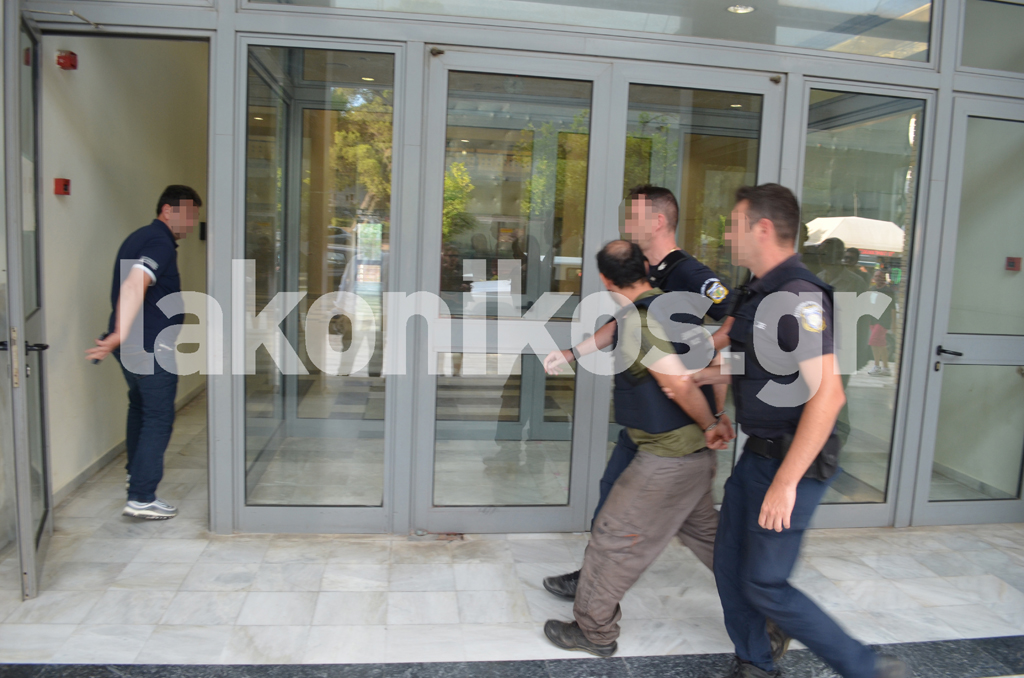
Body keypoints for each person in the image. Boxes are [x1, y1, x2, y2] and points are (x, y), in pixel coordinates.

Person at [692, 184, 905, 678]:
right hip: (757, 456)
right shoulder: (758, 291)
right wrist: (704, 376)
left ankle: (866, 667)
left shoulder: (799, 297)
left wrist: (786, 483)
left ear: (763, 229)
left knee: (765, 582)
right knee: (730, 567)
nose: (728, 235)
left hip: (796, 464)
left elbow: (828, 395)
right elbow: (759, 361)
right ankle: (755, 663)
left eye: (734, 225)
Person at [542, 240, 733, 657]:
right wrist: (718, 417)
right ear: (646, 266)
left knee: (612, 538)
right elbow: (713, 363)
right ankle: (768, 614)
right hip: (693, 459)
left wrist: (709, 423)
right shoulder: (676, 306)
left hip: (667, 458)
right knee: (714, 544)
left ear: (605, 280)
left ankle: (594, 631)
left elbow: (677, 384)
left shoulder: (641, 323)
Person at [85, 185, 202, 520]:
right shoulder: (159, 242)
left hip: (134, 346)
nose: (192, 223)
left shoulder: (139, 237)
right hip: (148, 346)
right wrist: (119, 333)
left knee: (140, 407)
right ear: (167, 210)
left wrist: (119, 337)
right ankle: (141, 496)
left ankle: (134, 477)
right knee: (158, 417)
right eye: (188, 214)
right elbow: (134, 283)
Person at [867, 270, 895, 376]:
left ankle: (877, 366)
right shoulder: (872, 289)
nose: (878, 278)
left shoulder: (888, 291)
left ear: (883, 278)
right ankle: (886, 368)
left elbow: (892, 308)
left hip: (883, 320)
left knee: (873, 341)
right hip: (873, 320)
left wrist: (894, 323)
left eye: (880, 276)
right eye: (876, 276)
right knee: (881, 344)